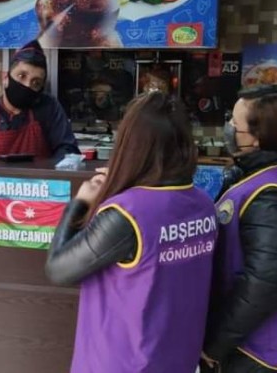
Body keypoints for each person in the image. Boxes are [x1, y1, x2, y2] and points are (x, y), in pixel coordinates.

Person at [46, 92, 218, 373]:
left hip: (123, 362)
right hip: (177, 358)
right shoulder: (203, 204)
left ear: (131, 145)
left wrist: (79, 205)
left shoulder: (127, 215)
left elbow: (58, 269)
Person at [202, 85, 277, 373]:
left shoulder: (271, 195)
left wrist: (215, 344)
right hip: (276, 341)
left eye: (235, 125)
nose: (228, 128)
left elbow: (264, 282)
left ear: (259, 138)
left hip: (260, 351)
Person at [0, 40, 79, 158]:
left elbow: (67, 149)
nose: (27, 85)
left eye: (36, 83)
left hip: (41, 178)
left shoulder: (49, 107)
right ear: (5, 78)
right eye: (22, 76)